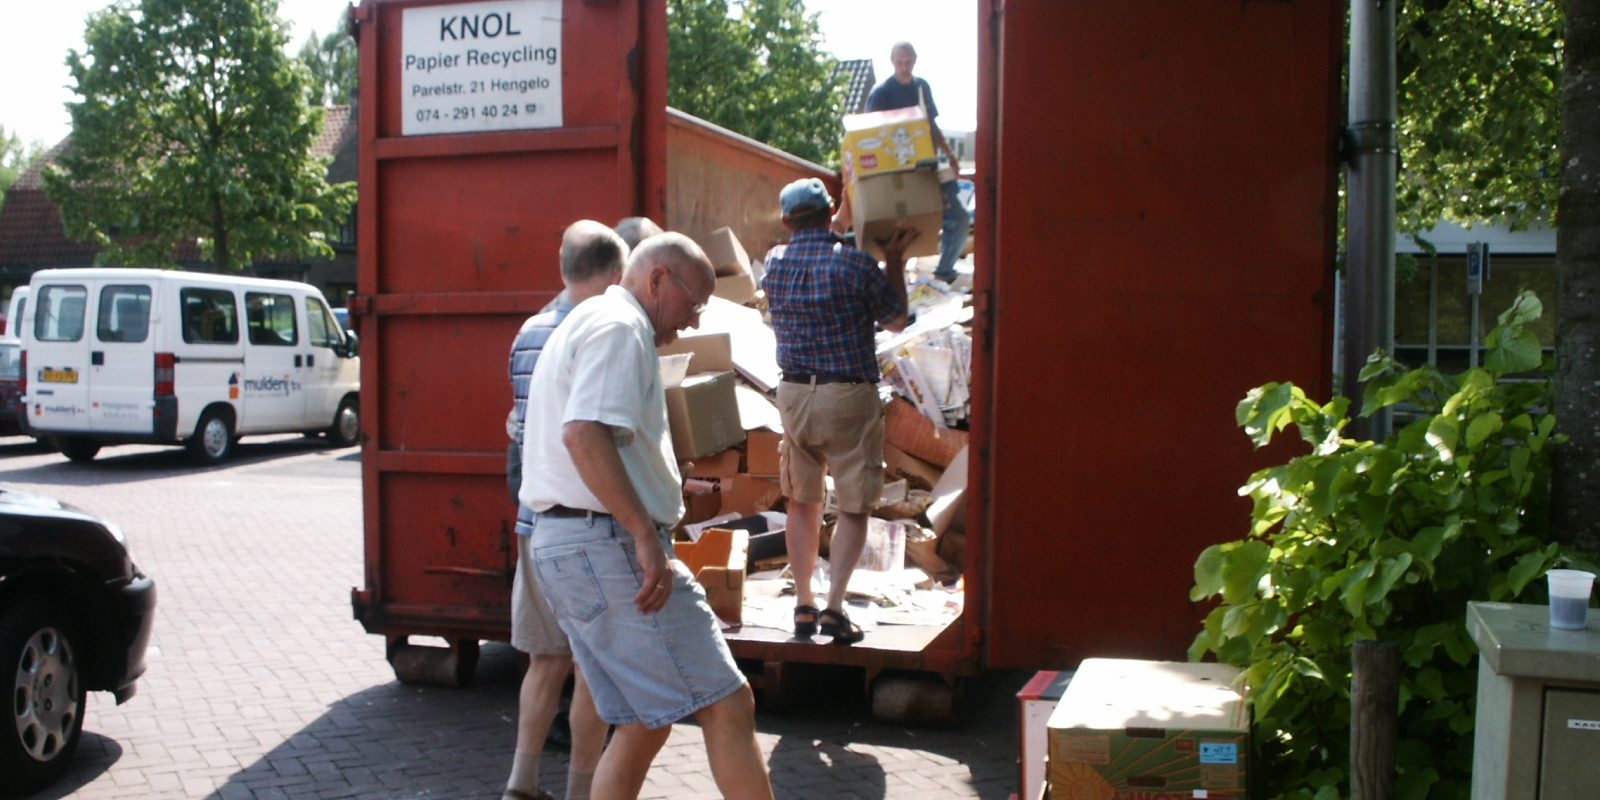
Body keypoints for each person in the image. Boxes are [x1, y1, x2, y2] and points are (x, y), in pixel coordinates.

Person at [519, 233, 775, 800]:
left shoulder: (592, 320)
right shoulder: (622, 327)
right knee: (729, 703)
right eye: (693, 304)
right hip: (603, 544)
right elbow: (583, 434)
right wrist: (643, 532)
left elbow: (588, 436)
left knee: (643, 718)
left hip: (569, 543)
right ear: (657, 279)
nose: (690, 322)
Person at [762, 178, 916, 645]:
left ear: (787, 221)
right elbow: (896, 319)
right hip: (847, 395)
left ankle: (804, 605)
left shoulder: (774, 263)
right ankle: (834, 609)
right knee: (853, 504)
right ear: (830, 212)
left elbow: (813, 244)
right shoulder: (857, 265)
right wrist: (893, 262)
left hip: (793, 397)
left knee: (802, 501)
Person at [502, 220, 624, 800]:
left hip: (533, 523)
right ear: (615, 273)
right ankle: (581, 790)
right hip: (586, 526)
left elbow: (518, 426)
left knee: (542, 662)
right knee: (591, 669)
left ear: (563, 265)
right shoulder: (605, 332)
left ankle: (521, 782)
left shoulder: (528, 332)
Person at [861, 40, 968, 286]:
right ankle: (887, 278)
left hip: (927, 166)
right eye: (900, 62)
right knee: (895, 224)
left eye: (908, 62)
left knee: (959, 216)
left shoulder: (922, 87)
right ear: (892, 62)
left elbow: (931, 125)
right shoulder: (881, 93)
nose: (904, 66)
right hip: (896, 174)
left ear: (914, 61)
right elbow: (869, 134)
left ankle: (944, 270)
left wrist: (949, 154)